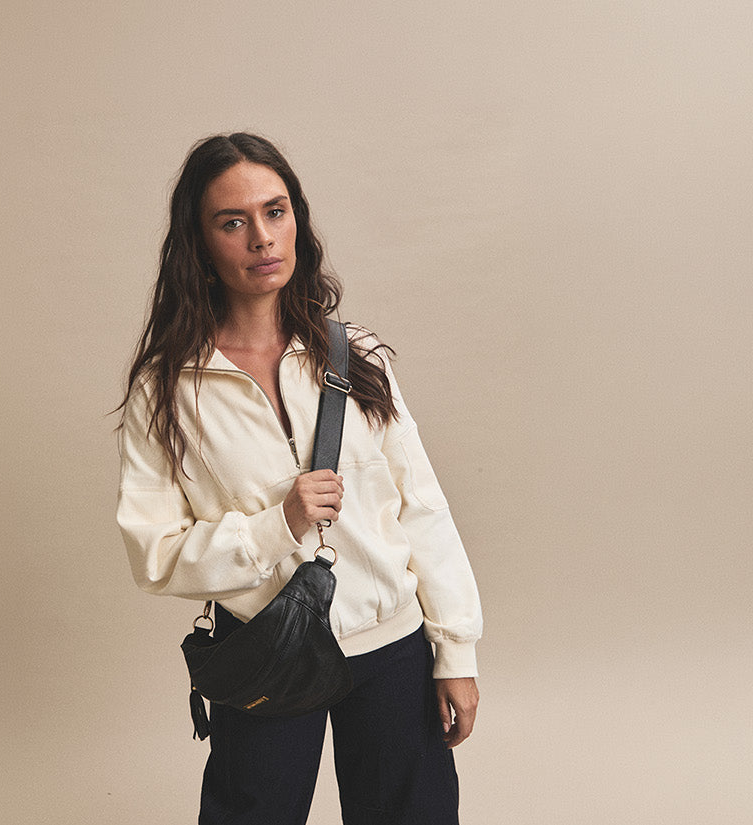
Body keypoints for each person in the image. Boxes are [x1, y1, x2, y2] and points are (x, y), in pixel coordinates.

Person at [114, 132, 483, 824]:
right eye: (233, 222)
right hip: (267, 649)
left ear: (297, 221)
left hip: (391, 646)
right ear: (199, 243)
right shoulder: (167, 389)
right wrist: (274, 527)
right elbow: (153, 553)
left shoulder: (356, 355)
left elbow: (422, 507)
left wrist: (455, 650)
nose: (261, 237)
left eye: (275, 211)